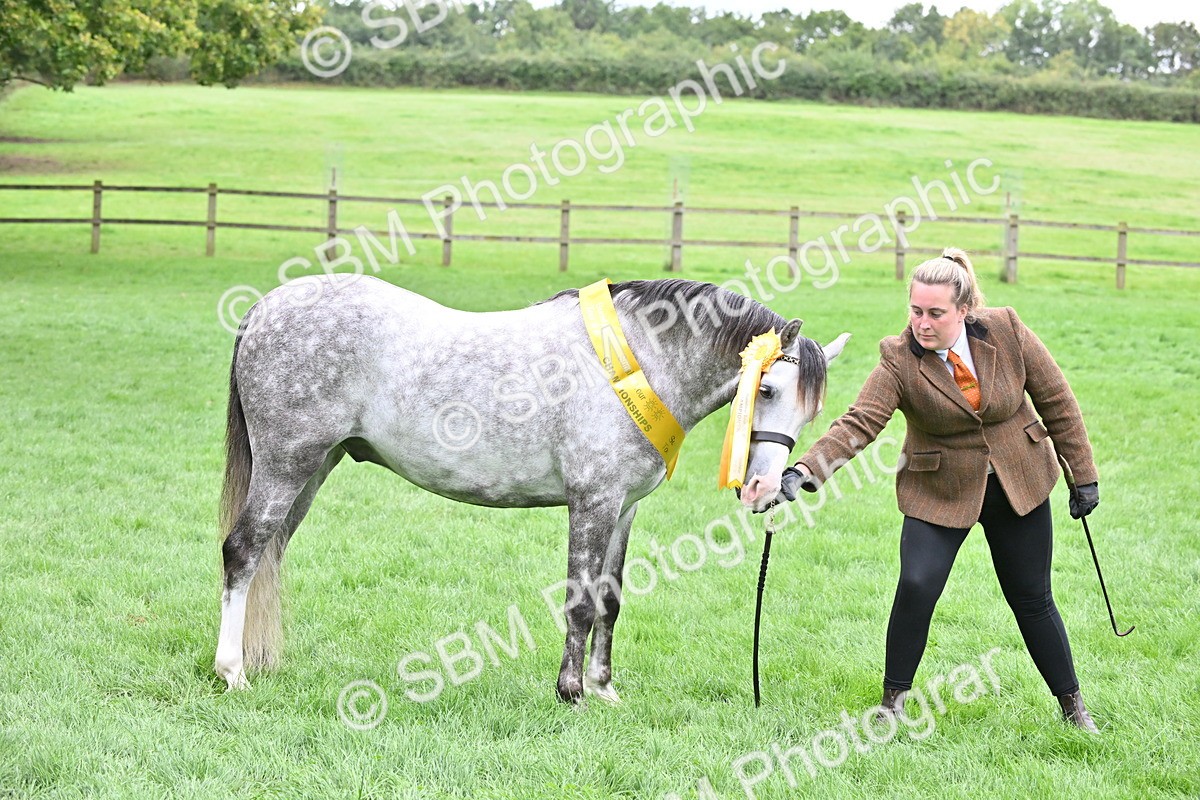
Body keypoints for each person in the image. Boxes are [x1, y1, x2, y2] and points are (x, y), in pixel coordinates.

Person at [780, 247, 1101, 732]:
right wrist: (805, 470)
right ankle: (892, 705)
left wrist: (1083, 473)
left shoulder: (1007, 330)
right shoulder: (898, 357)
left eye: (935, 313)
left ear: (964, 309)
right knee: (916, 585)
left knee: (1032, 597)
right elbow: (860, 421)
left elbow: (1055, 397)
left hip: (1020, 480)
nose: (922, 324)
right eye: (915, 311)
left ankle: (1074, 707)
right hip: (939, 488)